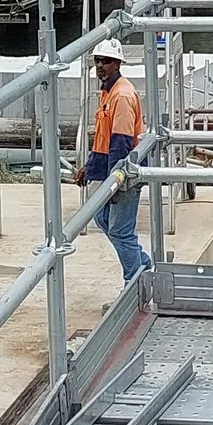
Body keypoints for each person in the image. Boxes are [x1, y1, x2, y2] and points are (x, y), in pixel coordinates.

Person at [80, 36, 151, 282]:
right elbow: (103, 138)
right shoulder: (108, 92)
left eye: (107, 61)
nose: (101, 66)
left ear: (118, 64)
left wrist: (115, 182)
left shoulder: (121, 96)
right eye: (98, 61)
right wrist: (90, 168)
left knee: (121, 232)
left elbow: (120, 143)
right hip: (116, 167)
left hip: (126, 168)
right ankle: (145, 267)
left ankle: (136, 285)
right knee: (102, 218)